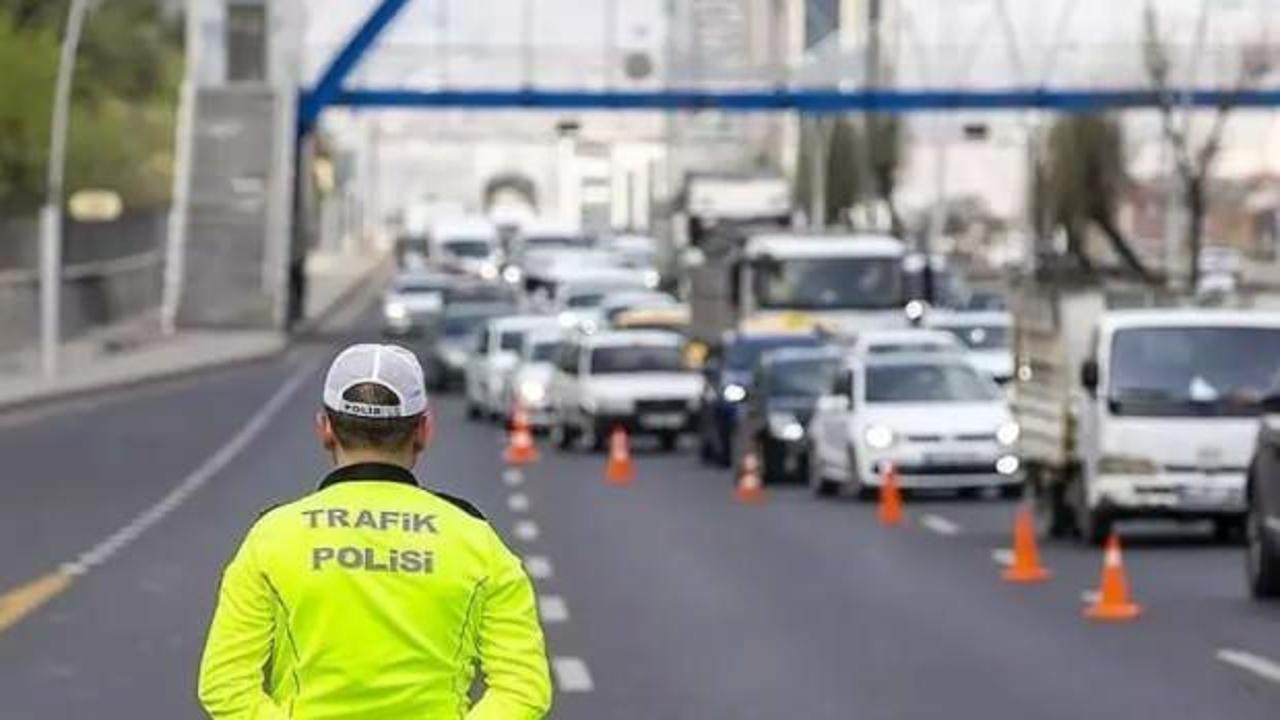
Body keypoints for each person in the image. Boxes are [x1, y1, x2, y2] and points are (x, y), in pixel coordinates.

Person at [198, 344, 553, 719]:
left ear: (325, 429)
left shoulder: (272, 539)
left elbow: (224, 685)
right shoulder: (476, 540)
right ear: (424, 430)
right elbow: (523, 688)